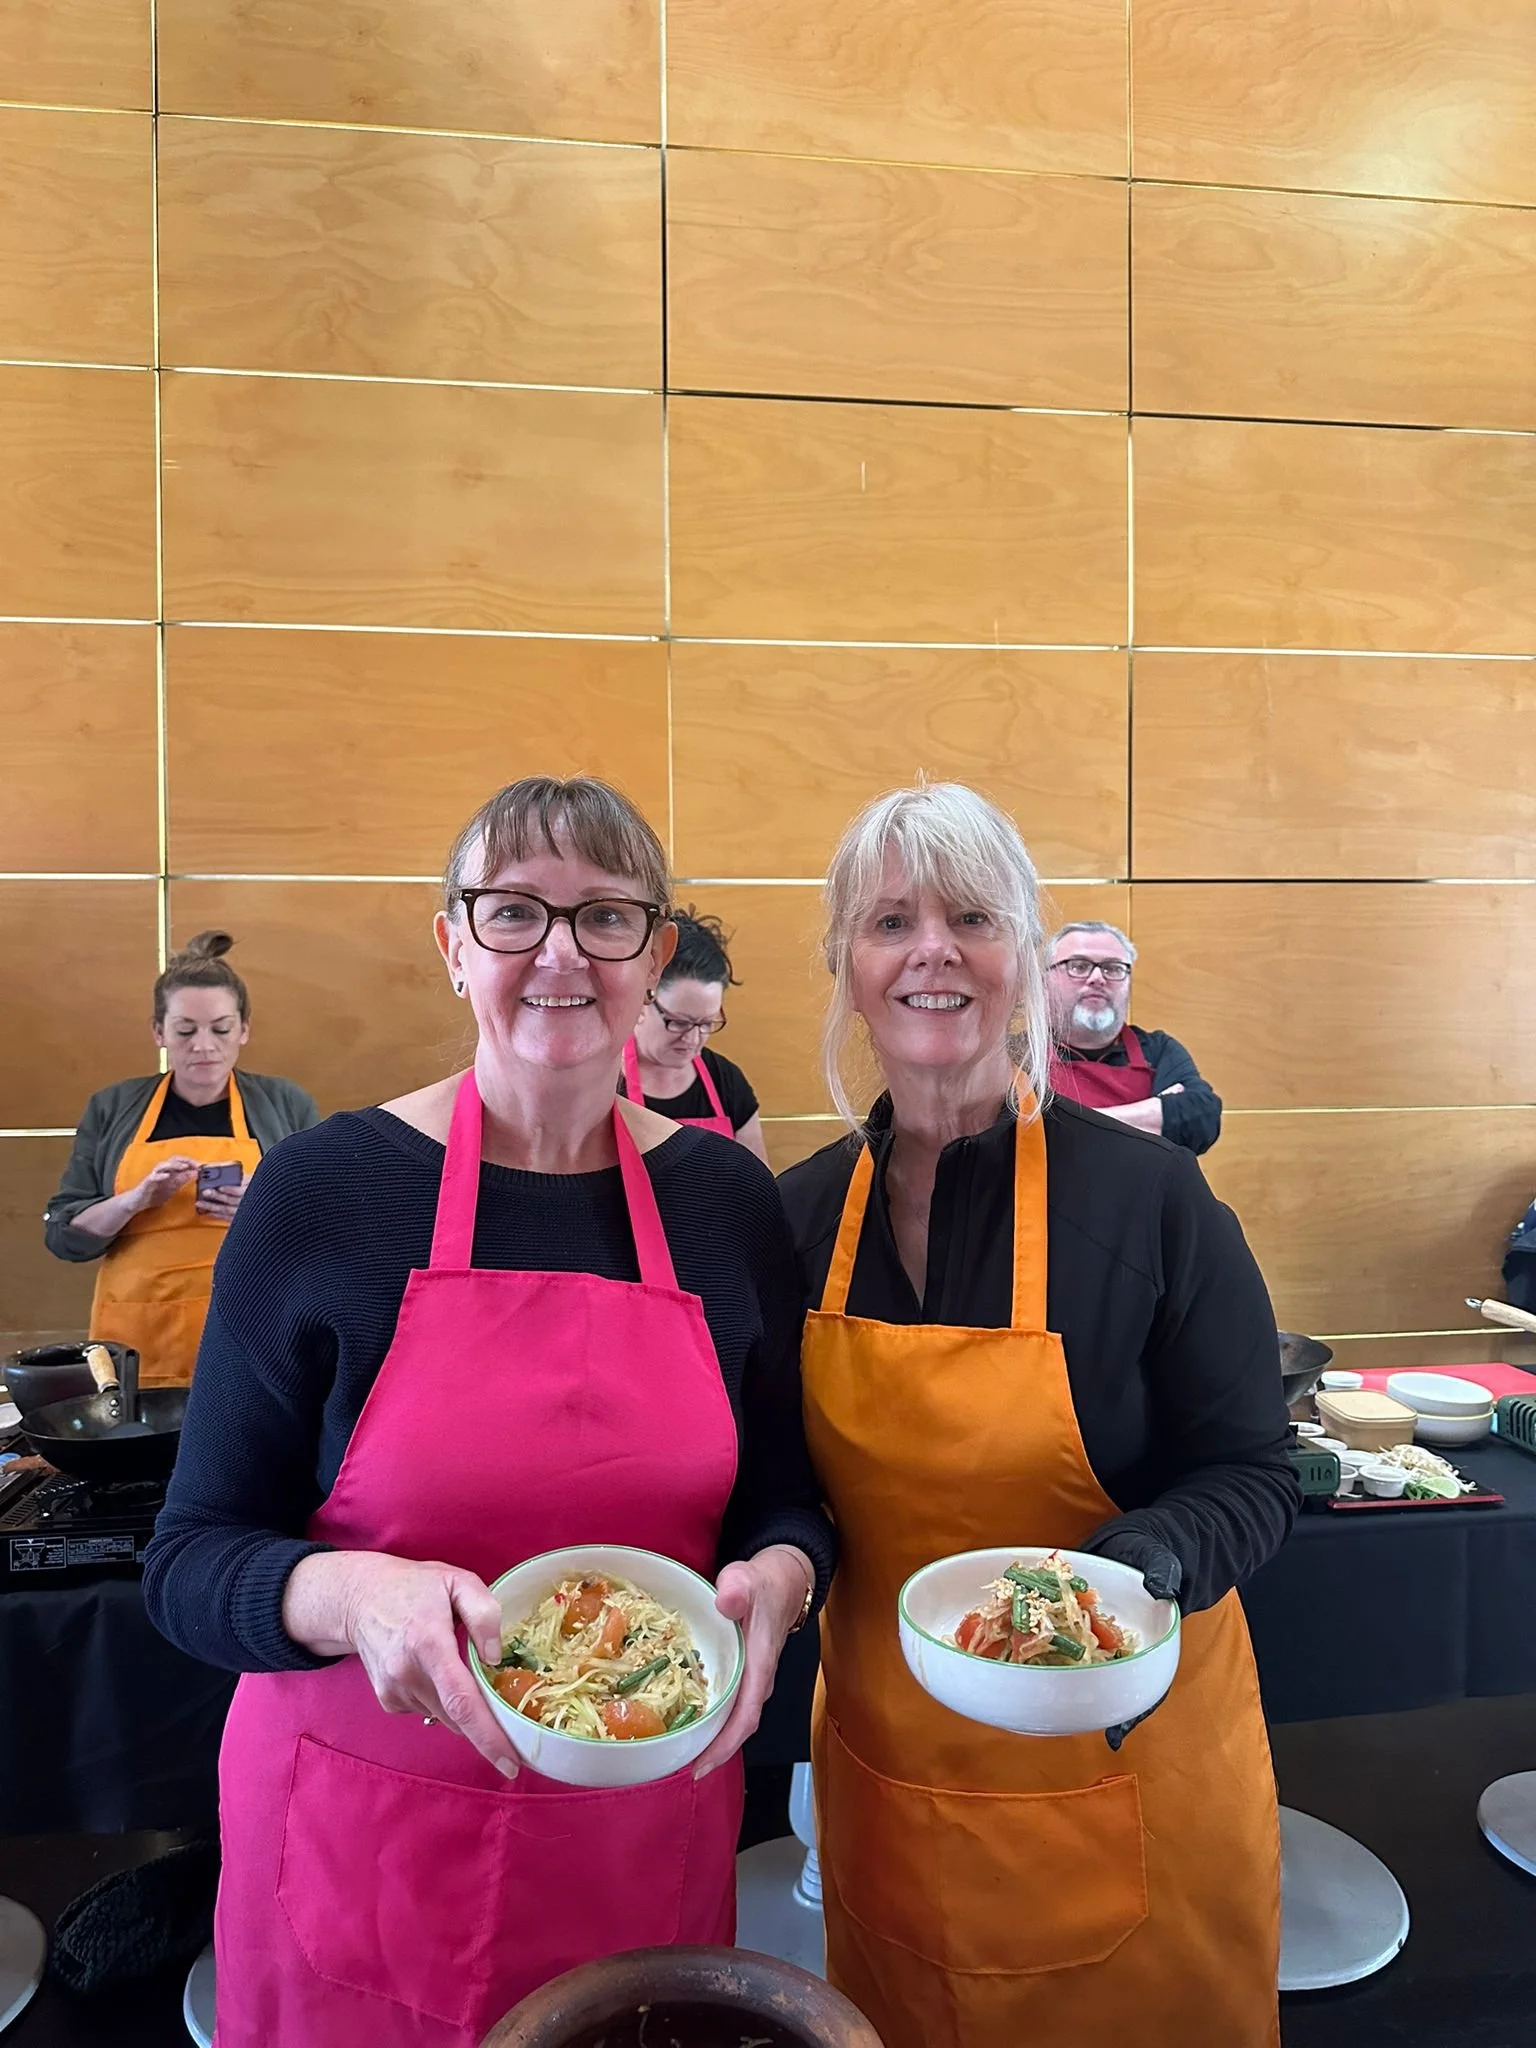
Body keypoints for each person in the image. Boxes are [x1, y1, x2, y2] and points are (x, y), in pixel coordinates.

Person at [144, 775, 833, 2048]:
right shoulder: (324, 1193)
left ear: (654, 952)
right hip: (363, 1849)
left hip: (643, 1838)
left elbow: (787, 1496)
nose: (560, 952)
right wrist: (356, 1596)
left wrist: (785, 1576)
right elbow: (190, 1559)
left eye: (605, 917)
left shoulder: (726, 1205)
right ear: (453, 943)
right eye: (513, 912)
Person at [778, 783, 1298, 2048]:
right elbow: (781, 1484)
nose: (933, 950)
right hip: (893, 1778)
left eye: (971, 915)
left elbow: (1251, 1468)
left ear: (1023, 957)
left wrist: (1151, 1566)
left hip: (1126, 1759)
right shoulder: (792, 1220)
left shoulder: (1156, 1204)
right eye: (891, 920)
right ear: (849, 967)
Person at [43, 932, 318, 1386]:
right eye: (185, 1030)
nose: (204, 1046)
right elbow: (62, 1234)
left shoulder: (285, 1104)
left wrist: (262, 1205)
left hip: (250, 1327)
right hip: (136, 1335)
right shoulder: (112, 1107)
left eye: (222, 1029)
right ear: (159, 1031)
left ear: (245, 1028)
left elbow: (322, 1225)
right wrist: (135, 1200)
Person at [1046, 919, 1222, 1153]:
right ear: (1044, 981)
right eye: (1078, 966)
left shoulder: (1158, 1050)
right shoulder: (1017, 1054)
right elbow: (1007, 1134)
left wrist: (1058, 1126)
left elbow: (1201, 1120)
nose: (1098, 978)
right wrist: (1154, 1113)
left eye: (1113, 968)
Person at [619, 908, 768, 1159]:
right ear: (644, 997)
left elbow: (758, 1184)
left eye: (706, 1023)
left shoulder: (725, 1081)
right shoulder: (602, 1082)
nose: (692, 1039)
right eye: (679, 1022)